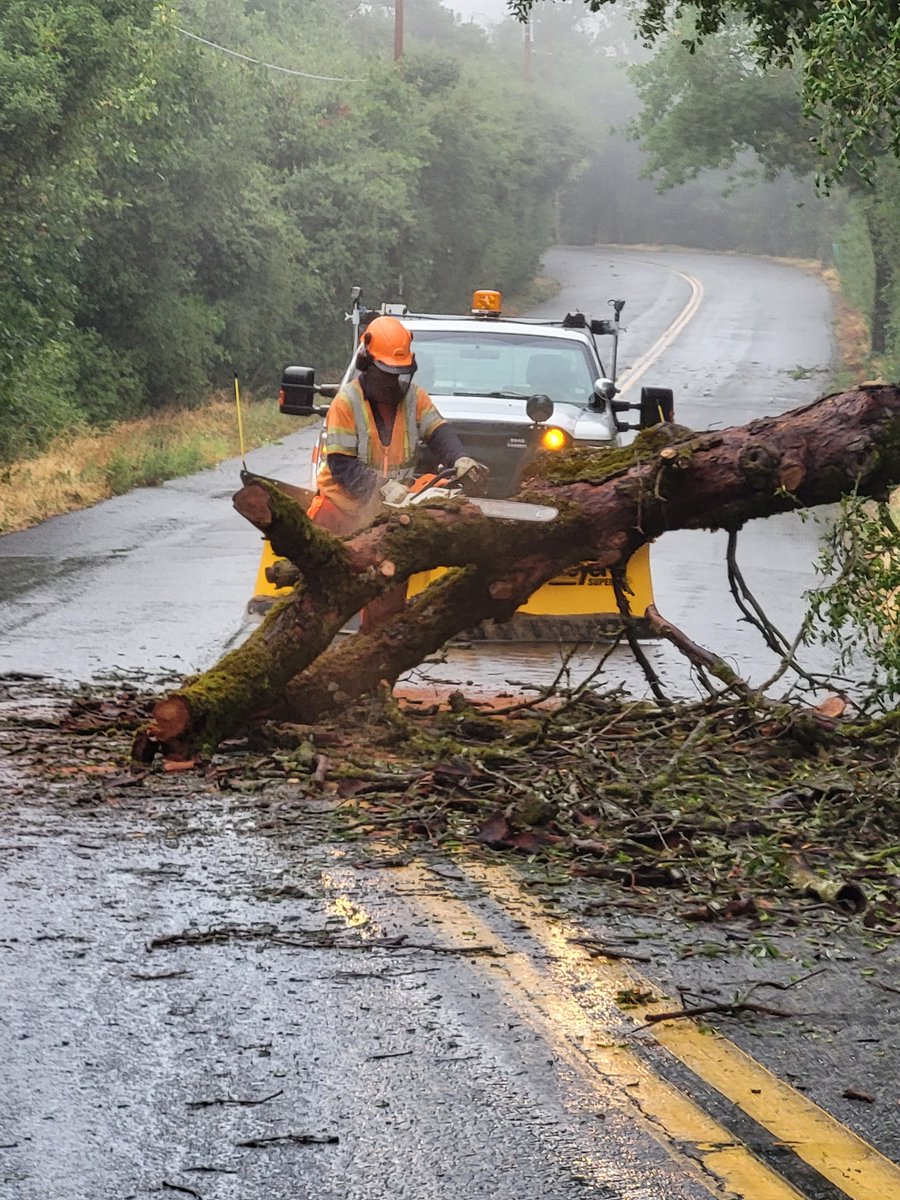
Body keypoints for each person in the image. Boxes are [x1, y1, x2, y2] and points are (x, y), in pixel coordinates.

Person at [307, 314, 484, 632]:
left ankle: (372, 663)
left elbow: (439, 432)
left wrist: (460, 458)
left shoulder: (414, 399)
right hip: (341, 512)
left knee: (386, 606)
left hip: (389, 516)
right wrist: (382, 486)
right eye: (389, 375)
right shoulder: (346, 403)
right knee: (321, 603)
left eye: (401, 375)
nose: (395, 383)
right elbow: (341, 464)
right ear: (367, 364)